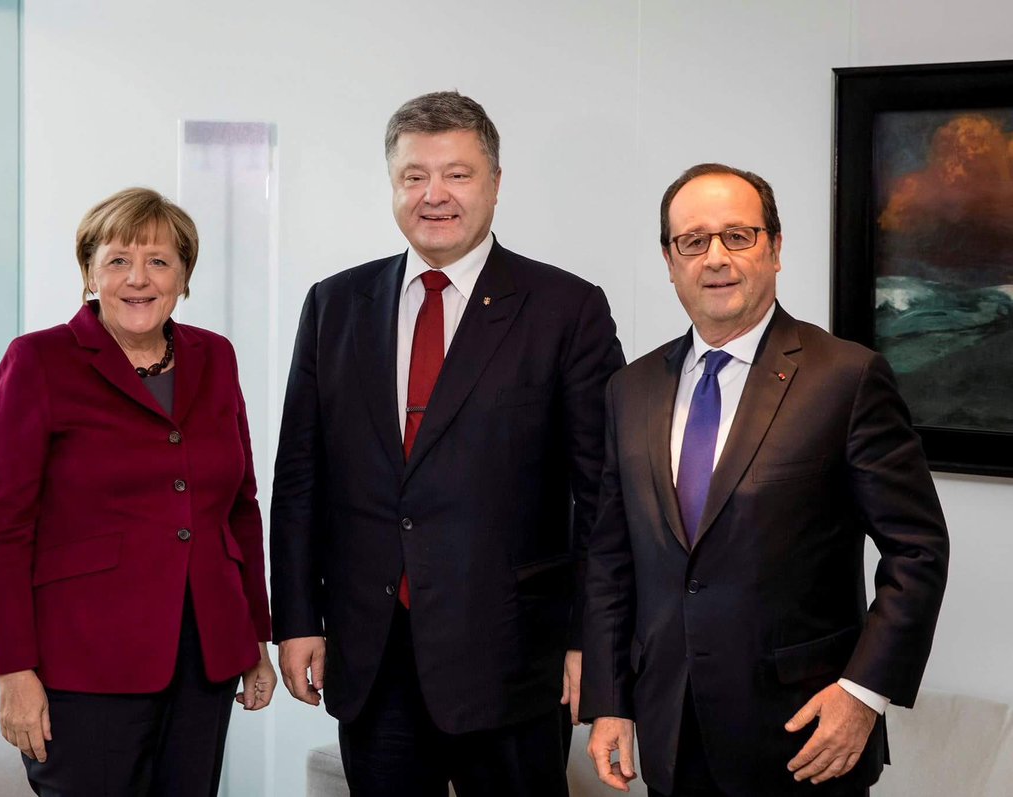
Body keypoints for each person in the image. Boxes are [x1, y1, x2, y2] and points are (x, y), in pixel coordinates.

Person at [269, 90, 624, 796]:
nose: (435, 194)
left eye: (457, 174)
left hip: (513, 659)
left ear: (495, 183)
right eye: (414, 176)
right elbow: (300, 478)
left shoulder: (566, 308)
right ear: (392, 184)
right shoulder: (334, 305)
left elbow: (602, 495)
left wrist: (591, 639)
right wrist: (297, 619)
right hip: (373, 654)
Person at [581, 163, 950, 797]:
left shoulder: (847, 379)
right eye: (692, 241)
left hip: (804, 738)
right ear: (669, 262)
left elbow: (917, 551)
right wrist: (610, 700)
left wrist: (863, 693)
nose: (715, 258)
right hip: (670, 734)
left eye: (738, 236)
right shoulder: (630, 389)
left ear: (775, 249)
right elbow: (612, 559)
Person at [0, 187, 276, 796]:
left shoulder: (216, 356)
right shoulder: (38, 360)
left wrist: (253, 637)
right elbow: (1, 530)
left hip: (205, 656)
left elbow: (240, 506)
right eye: (118, 260)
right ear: (90, 274)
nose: (139, 278)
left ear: (183, 277)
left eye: (159, 261)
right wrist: (13, 670)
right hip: (83, 661)